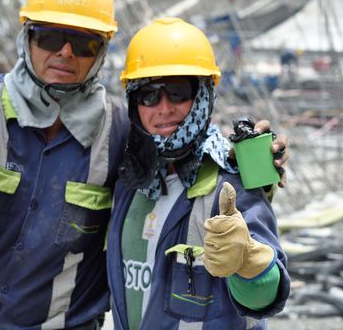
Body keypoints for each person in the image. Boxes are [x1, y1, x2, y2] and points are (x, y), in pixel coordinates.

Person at [0, 0, 288, 329]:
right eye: (49, 37)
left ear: (101, 52)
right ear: (27, 36)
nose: (65, 52)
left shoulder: (121, 134)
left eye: (83, 43)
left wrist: (252, 162)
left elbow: (187, 145)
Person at [106, 18, 290, 329]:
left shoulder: (231, 184)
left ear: (203, 96)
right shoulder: (131, 180)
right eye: (148, 95)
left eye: (178, 92)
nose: (164, 107)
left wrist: (249, 264)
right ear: (134, 103)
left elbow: (265, 299)